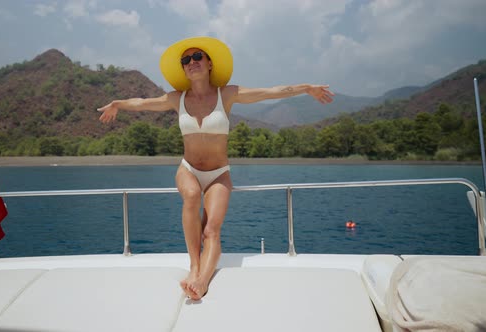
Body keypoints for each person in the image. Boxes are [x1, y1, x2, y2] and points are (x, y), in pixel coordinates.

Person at [98, 36, 334, 300]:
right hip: (188, 168)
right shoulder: (177, 98)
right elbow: (142, 102)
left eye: (197, 57)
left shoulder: (228, 95)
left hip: (218, 174)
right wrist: (117, 103)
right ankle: (194, 266)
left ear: (210, 63)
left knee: (211, 230)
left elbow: (271, 91)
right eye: (185, 60)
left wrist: (306, 88)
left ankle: (202, 281)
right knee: (190, 195)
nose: (191, 62)